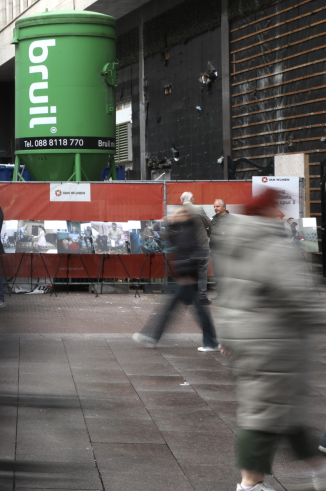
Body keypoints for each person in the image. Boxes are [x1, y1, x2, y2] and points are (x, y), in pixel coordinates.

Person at [213, 189, 326, 491]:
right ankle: (250, 485)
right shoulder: (273, 247)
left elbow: (227, 295)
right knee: (266, 416)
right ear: (266, 212)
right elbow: (298, 296)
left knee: (275, 412)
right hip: (276, 344)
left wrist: (227, 335)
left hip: (249, 342)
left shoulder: (233, 243)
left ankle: (318, 470)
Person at [132, 206, 218, 353]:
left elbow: (190, 252)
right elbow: (170, 239)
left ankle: (152, 336)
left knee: (174, 309)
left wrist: (187, 273)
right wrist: (168, 222)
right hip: (186, 278)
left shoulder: (188, 230)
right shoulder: (183, 229)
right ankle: (210, 341)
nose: (174, 215)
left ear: (185, 216)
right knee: (186, 310)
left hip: (187, 278)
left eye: (178, 213)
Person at [180, 191, 212, 304]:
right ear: (191, 199)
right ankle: (202, 297)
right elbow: (208, 224)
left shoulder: (178, 211)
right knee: (202, 273)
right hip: (201, 246)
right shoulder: (198, 209)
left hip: (186, 248)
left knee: (188, 274)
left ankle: (188, 298)